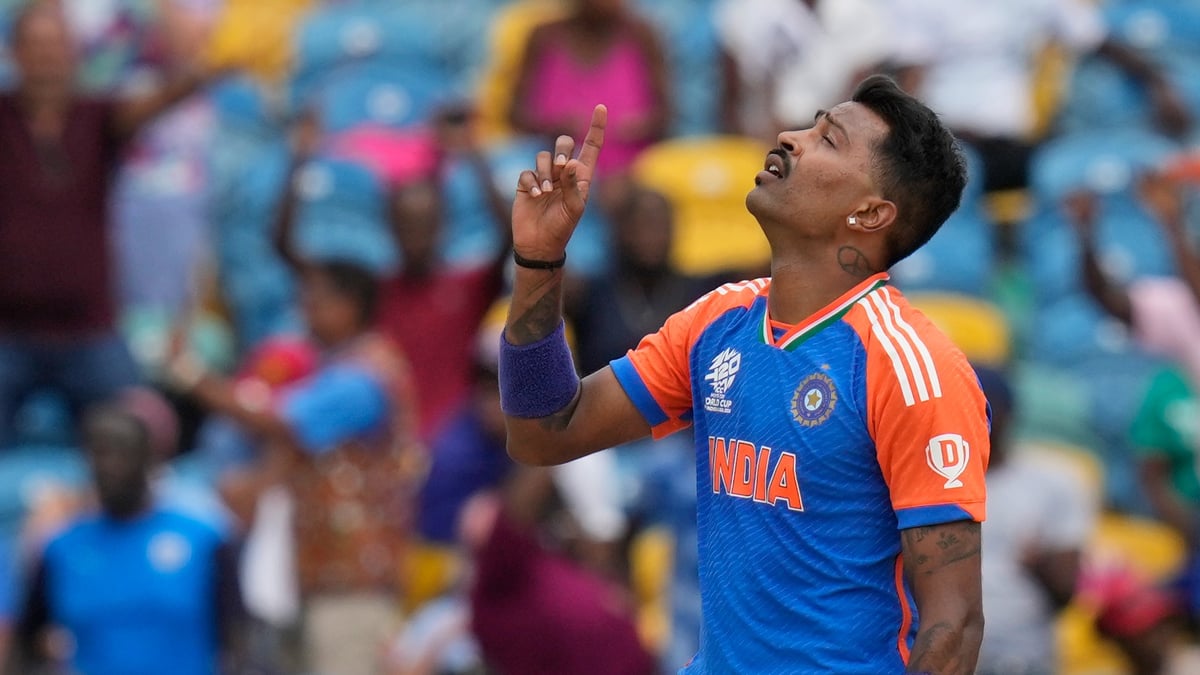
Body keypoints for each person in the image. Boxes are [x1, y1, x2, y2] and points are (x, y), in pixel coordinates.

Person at [499, 75, 989, 672]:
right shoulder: (717, 320)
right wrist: (539, 260)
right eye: (811, 124)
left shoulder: (912, 367)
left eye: (827, 140)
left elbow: (954, 625)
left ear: (869, 213)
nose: (791, 138)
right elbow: (544, 431)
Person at [0, 1, 222, 447]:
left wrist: (205, 67)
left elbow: (159, 101)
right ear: (14, 53)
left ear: (74, 54)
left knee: (138, 434)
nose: (47, 57)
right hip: (8, 332)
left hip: (89, 330)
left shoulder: (96, 116)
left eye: (57, 46)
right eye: (36, 46)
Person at [275, 108, 512, 444]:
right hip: (396, 438)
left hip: (454, 439)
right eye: (406, 225)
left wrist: (475, 155)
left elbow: (512, 240)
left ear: (442, 225)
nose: (417, 237)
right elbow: (289, 251)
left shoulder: (467, 285)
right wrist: (299, 160)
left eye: (426, 225)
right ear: (390, 226)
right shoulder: (378, 289)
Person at [14, 403, 243, 675]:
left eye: (123, 454)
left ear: (149, 459)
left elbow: (238, 634)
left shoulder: (203, 540)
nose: (111, 467)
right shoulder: (61, 548)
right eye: (100, 454)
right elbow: (28, 638)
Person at [888, 0, 1191, 191]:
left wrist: (1157, 83)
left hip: (1019, 138)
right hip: (951, 135)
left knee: (1066, 173)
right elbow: (912, 77)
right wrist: (919, 133)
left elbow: (1094, 37)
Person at [973, 366, 1096, 675]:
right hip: (944, 654)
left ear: (1009, 413)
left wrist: (1040, 563)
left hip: (1021, 656)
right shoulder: (925, 484)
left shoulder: (1054, 481)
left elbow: (1067, 591)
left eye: (984, 407)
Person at [508, 0, 670, 175]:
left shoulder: (641, 36)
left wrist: (639, 126)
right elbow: (515, 114)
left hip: (630, 170)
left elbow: (665, 114)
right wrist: (554, 127)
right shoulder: (544, 37)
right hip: (557, 166)